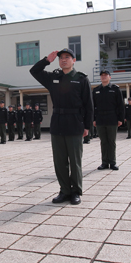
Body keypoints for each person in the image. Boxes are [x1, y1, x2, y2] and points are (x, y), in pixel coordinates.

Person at [30, 48, 92, 205]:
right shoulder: (53, 78)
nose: (63, 60)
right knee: (59, 161)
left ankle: (76, 191)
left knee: (75, 160)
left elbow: (89, 105)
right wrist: (46, 60)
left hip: (75, 123)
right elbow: (34, 71)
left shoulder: (81, 79)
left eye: (67, 57)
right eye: (61, 58)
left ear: (73, 60)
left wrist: (87, 126)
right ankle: (64, 191)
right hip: (58, 123)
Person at [93, 70, 124, 170]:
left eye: (105, 75)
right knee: (103, 141)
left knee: (111, 141)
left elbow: (120, 105)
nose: (103, 77)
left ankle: (112, 162)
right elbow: (93, 106)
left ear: (110, 77)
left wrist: (120, 118)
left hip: (112, 118)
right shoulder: (96, 90)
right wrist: (93, 119)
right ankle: (104, 162)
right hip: (100, 119)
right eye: (102, 75)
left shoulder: (115, 89)